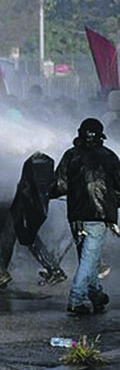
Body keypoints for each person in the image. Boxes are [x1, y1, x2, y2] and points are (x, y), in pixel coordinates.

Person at [50, 118, 120, 315]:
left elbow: (59, 186)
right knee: (89, 260)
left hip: (76, 217)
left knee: (87, 259)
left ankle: (96, 295)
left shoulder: (71, 155)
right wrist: (113, 205)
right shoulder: (110, 157)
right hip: (98, 216)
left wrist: (47, 192)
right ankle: (77, 299)